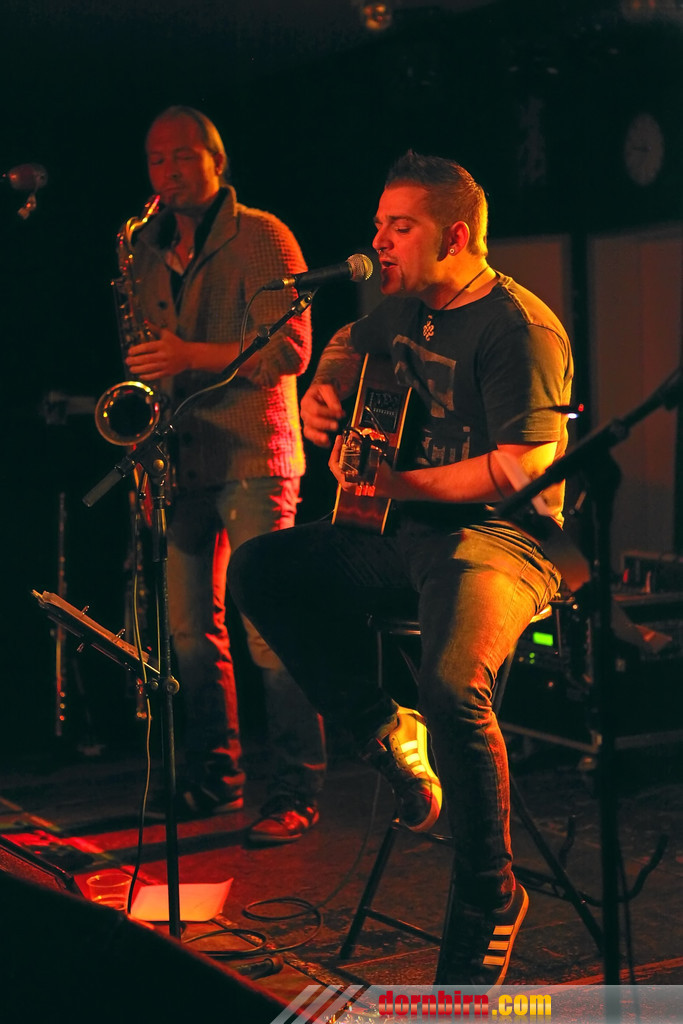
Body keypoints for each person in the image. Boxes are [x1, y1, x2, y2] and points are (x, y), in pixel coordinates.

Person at [228, 151, 573, 984]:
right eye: (378, 224)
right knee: (260, 569)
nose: (377, 241)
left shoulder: (517, 328)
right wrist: (325, 387)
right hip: (403, 532)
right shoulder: (405, 309)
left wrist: (395, 482)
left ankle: (490, 892)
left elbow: (521, 468)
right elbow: (347, 341)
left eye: (399, 226)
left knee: (454, 687)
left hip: (503, 541)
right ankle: (385, 728)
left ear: (453, 236)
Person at [124, 105, 326, 844]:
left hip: (253, 457)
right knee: (187, 634)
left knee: (269, 628)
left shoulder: (263, 235)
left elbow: (290, 350)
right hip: (182, 459)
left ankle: (297, 791)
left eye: (183, 156)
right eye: (156, 159)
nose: (168, 172)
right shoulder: (145, 249)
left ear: (217, 160)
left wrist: (189, 355)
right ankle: (215, 781)